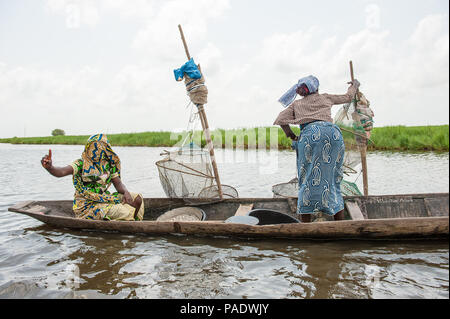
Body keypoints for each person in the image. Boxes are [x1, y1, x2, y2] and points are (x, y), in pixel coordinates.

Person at [274, 75, 360, 223]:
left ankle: (305, 224)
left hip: (310, 137)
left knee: (306, 178)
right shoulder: (326, 98)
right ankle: (339, 223)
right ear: (317, 89)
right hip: (333, 135)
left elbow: (281, 119)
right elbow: (348, 97)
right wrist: (355, 85)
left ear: (302, 91)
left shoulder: (296, 104)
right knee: (334, 178)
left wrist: (291, 135)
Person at [41, 134, 144, 221]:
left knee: (138, 198)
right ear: (88, 148)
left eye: (99, 148)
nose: (96, 151)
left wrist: (125, 192)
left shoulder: (108, 165)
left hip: (103, 198)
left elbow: (118, 184)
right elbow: (61, 171)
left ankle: (133, 222)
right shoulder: (81, 163)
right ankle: (128, 223)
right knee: (122, 211)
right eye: (93, 148)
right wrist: (50, 167)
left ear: (105, 149)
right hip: (87, 206)